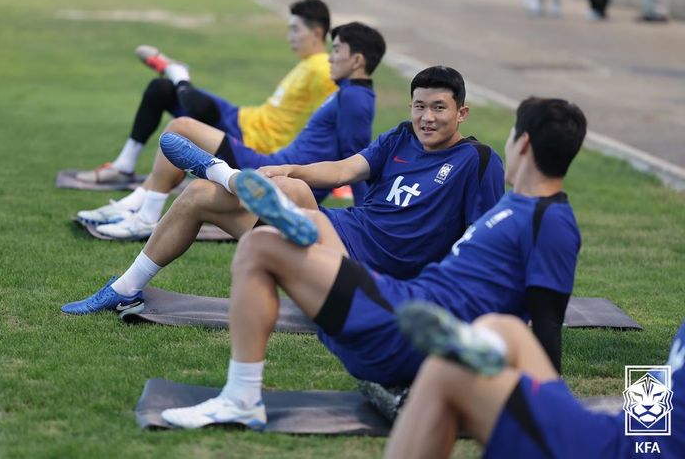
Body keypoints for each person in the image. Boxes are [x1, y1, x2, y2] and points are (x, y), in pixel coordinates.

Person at [152, 96, 586, 430]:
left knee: (261, 245)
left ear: (523, 144)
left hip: (402, 327)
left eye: (512, 134)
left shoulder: (551, 223)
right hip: (400, 303)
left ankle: (242, 398)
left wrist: (545, 418)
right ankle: (261, 201)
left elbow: (545, 325)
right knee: (294, 229)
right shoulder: (518, 208)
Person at [61, 65, 504, 315]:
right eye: (420, 106)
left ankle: (224, 173)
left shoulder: (478, 161)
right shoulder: (401, 136)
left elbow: (482, 241)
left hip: (372, 272)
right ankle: (124, 286)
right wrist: (281, 168)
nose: (427, 117)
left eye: (439, 108)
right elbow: (340, 171)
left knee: (291, 195)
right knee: (196, 197)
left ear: (461, 112)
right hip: (340, 230)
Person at [76, 22, 382, 240]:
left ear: (357, 60)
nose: (330, 56)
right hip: (271, 163)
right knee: (180, 127)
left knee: (182, 127)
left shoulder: (355, 97)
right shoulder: (349, 92)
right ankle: (139, 208)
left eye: (337, 50)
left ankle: (143, 216)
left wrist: (363, 221)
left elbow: (353, 162)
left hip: (276, 175)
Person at [76, 0, 336, 184]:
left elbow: (338, 114)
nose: (290, 37)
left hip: (252, 141)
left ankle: (180, 75)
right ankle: (125, 164)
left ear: (317, 33)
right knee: (160, 89)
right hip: (245, 118)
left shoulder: (323, 68)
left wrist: (336, 176)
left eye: (295, 30)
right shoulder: (308, 64)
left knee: (192, 107)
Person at [384, 303, 685, 458]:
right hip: (622, 434)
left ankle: (473, 355)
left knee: (446, 372)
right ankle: (480, 348)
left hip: (616, 450)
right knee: (507, 329)